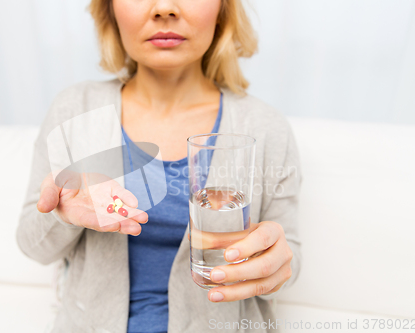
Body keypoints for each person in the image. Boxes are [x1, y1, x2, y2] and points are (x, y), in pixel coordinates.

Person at [16, 0, 303, 332]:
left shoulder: (266, 127)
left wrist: (274, 263)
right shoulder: (74, 109)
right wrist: (61, 214)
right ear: (109, 9)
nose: (164, 8)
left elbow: (290, 257)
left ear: (223, 8)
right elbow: (31, 245)